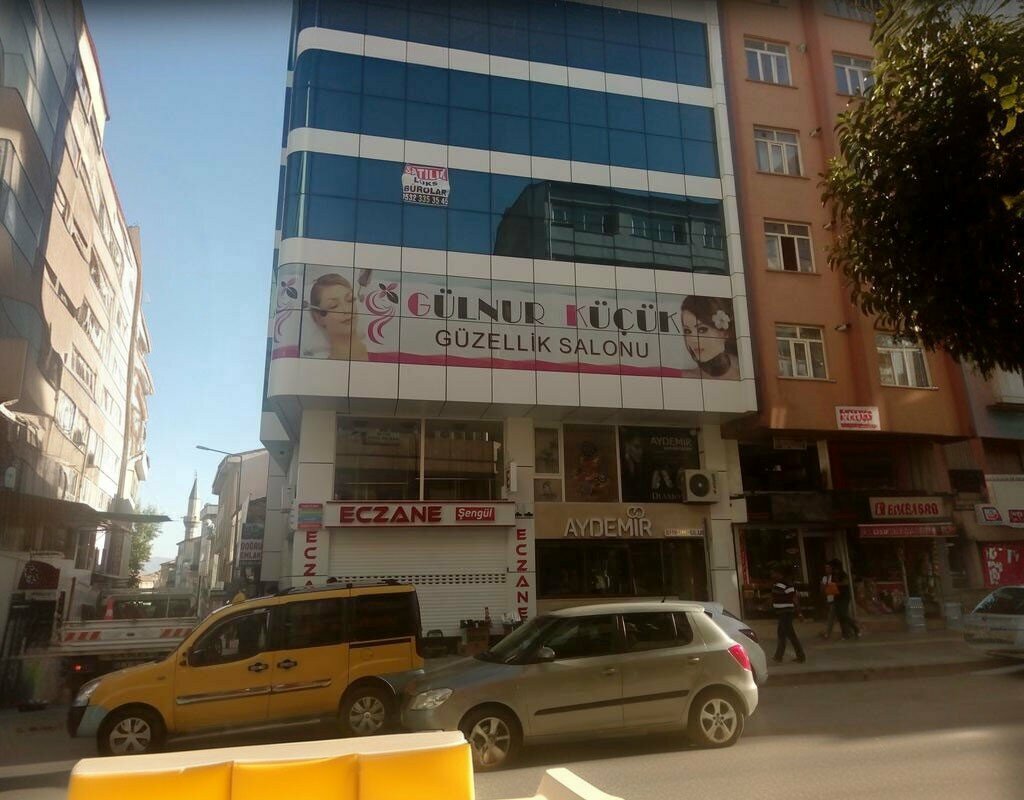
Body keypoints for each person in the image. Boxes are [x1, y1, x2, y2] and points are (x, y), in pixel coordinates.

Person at [308, 273, 369, 361]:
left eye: (350, 300)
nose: (346, 310)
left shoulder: (388, 358)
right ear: (318, 318)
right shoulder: (320, 368)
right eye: (334, 306)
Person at [680, 296, 740, 380]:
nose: (693, 340)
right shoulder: (684, 376)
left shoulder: (745, 373)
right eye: (687, 331)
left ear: (725, 332)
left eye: (702, 330)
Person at [771, 566, 806, 664]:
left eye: (773, 573)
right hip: (781, 613)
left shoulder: (787, 584)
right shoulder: (777, 584)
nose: (772, 575)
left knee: (790, 634)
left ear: (779, 574)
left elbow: (794, 598)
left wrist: (799, 613)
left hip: (786, 613)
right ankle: (778, 656)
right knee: (782, 634)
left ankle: (801, 656)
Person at [830, 559, 861, 640]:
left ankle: (855, 628)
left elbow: (845, 582)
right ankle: (845, 634)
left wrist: (836, 584)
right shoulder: (833, 575)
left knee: (843, 614)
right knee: (840, 616)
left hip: (844, 597)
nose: (834, 569)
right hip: (837, 596)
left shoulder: (843, 574)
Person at [819, 562, 840, 640]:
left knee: (832, 617)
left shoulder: (834, 577)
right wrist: (823, 585)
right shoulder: (824, 578)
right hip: (829, 598)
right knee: (833, 616)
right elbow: (822, 590)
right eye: (826, 568)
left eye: (828, 568)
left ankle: (828, 633)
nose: (827, 569)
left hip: (835, 598)